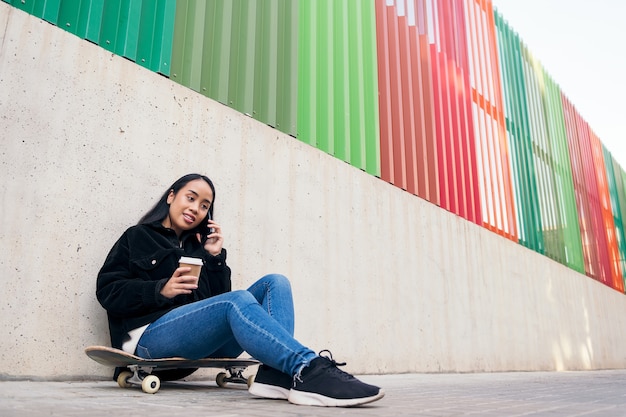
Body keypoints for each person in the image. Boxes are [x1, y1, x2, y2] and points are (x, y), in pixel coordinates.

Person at [96, 173, 384, 407]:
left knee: (276, 281)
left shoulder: (200, 249)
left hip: (195, 342)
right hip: (148, 338)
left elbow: (216, 304)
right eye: (191, 198)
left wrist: (214, 258)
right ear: (172, 196)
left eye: (205, 205)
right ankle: (306, 368)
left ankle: (274, 376)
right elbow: (107, 290)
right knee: (238, 301)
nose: (196, 208)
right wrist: (160, 289)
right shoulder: (138, 237)